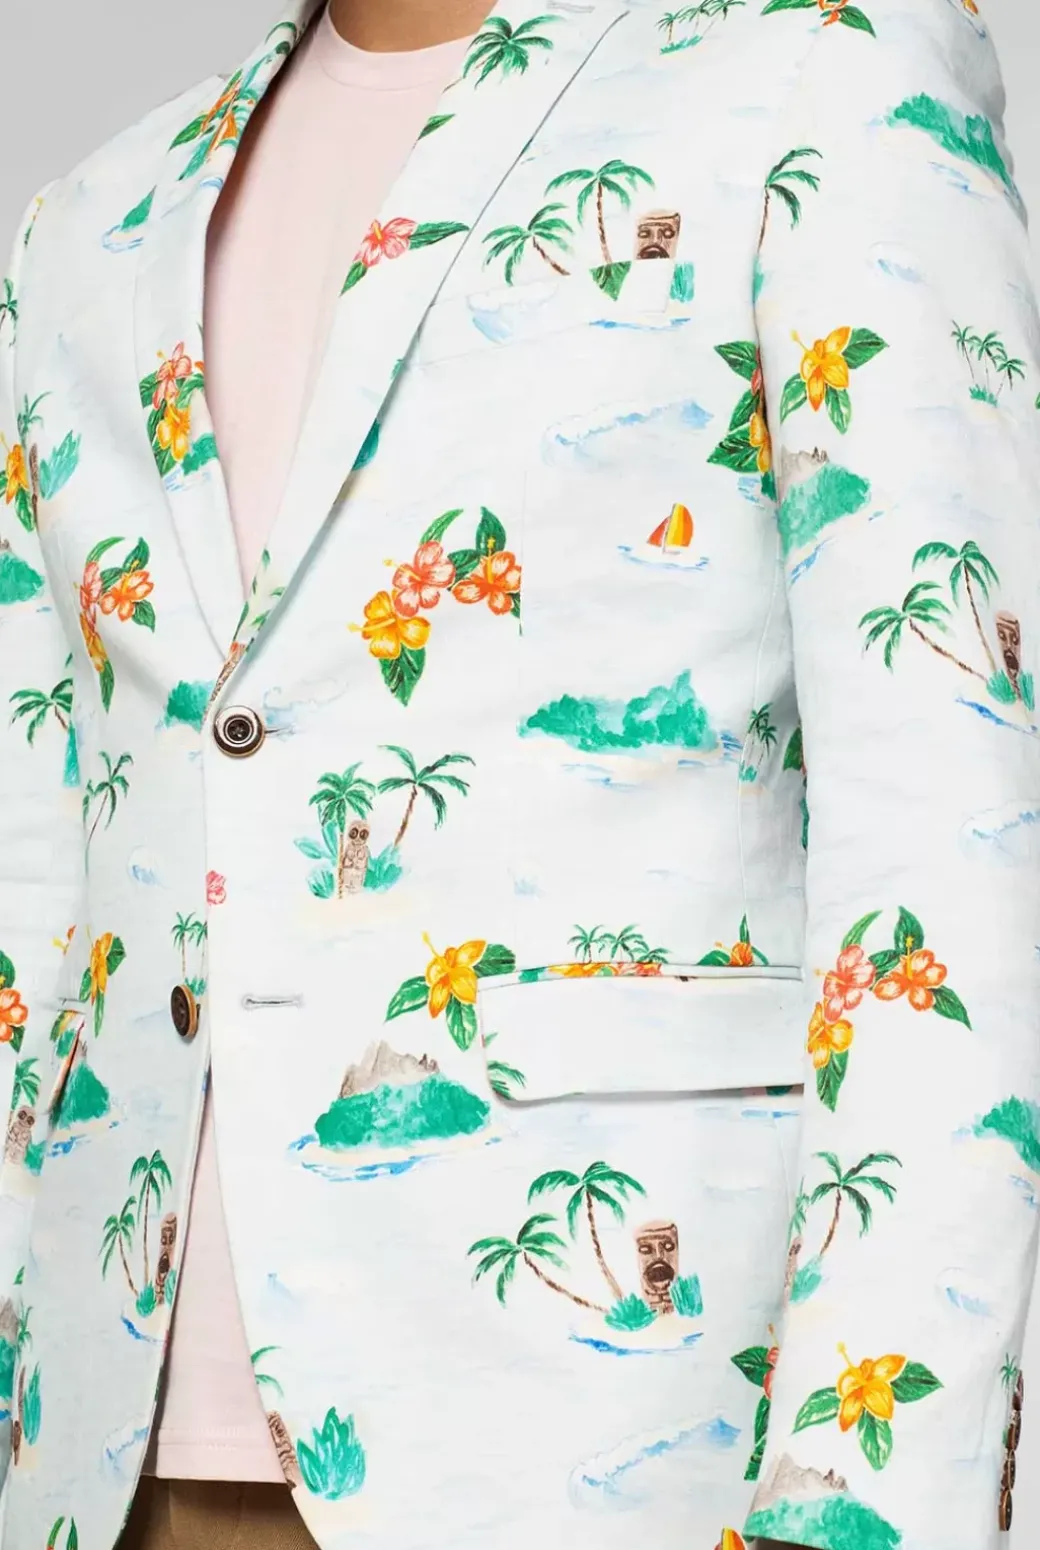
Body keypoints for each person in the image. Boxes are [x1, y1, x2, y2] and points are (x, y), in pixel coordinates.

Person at [0, 0, 1037, 1546]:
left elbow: (954, 849)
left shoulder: (822, 71)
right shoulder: (91, 221)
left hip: (608, 1455)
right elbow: (35, 887)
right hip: (99, 1464)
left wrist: (864, 1518)